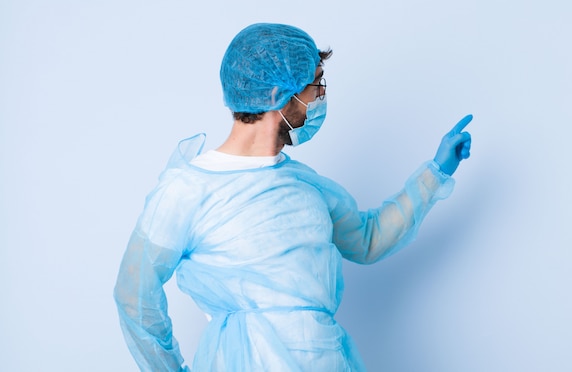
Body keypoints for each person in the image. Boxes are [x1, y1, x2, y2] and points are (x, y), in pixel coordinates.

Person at [114, 23, 472, 371]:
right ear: (277, 95)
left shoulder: (305, 184)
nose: (321, 97)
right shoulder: (188, 190)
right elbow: (135, 295)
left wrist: (435, 173)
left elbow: (367, 239)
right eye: (317, 84)